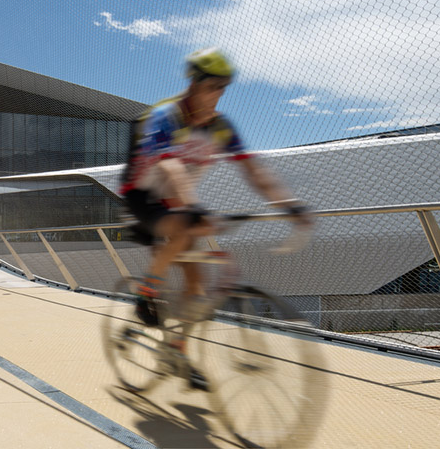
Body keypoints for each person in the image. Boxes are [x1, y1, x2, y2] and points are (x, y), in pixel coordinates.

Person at [120, 49, 310, 387]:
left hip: (176, 200)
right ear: (193, 83)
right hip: (143, 195)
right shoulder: (167, 117)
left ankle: (176, 352)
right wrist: (192, 205)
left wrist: (289, 204)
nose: (217, 95)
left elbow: (254, 170)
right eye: (212, 87)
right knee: (182, 229)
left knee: (197, 286)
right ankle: (145, 294)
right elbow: (169, 165)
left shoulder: (220, 127)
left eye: (223, 88)